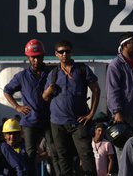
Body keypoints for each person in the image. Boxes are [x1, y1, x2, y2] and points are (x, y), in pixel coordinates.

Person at [43, 40, 100, 176]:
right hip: (58, 123)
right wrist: (49, 90)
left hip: (79, 122)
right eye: (61, 52)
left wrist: (91, 114)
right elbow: (44, 97)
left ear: (71, 52)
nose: (64, 54)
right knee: (63, 157)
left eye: (67, 51)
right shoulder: (53, 73)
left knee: (86, 155)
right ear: (56, 54)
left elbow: (96, 90)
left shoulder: (81, 69)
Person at [3, 38, 55, 176]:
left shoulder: (52, 73)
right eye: (33, 58)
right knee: (29, 155)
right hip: (30, 121)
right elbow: (7, 91)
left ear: (43, 56)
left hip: (49, 120)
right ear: (28, 58)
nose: (36, 60)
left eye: (38, 57)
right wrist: (17, 107)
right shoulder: (21, 76)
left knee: (54, 151)